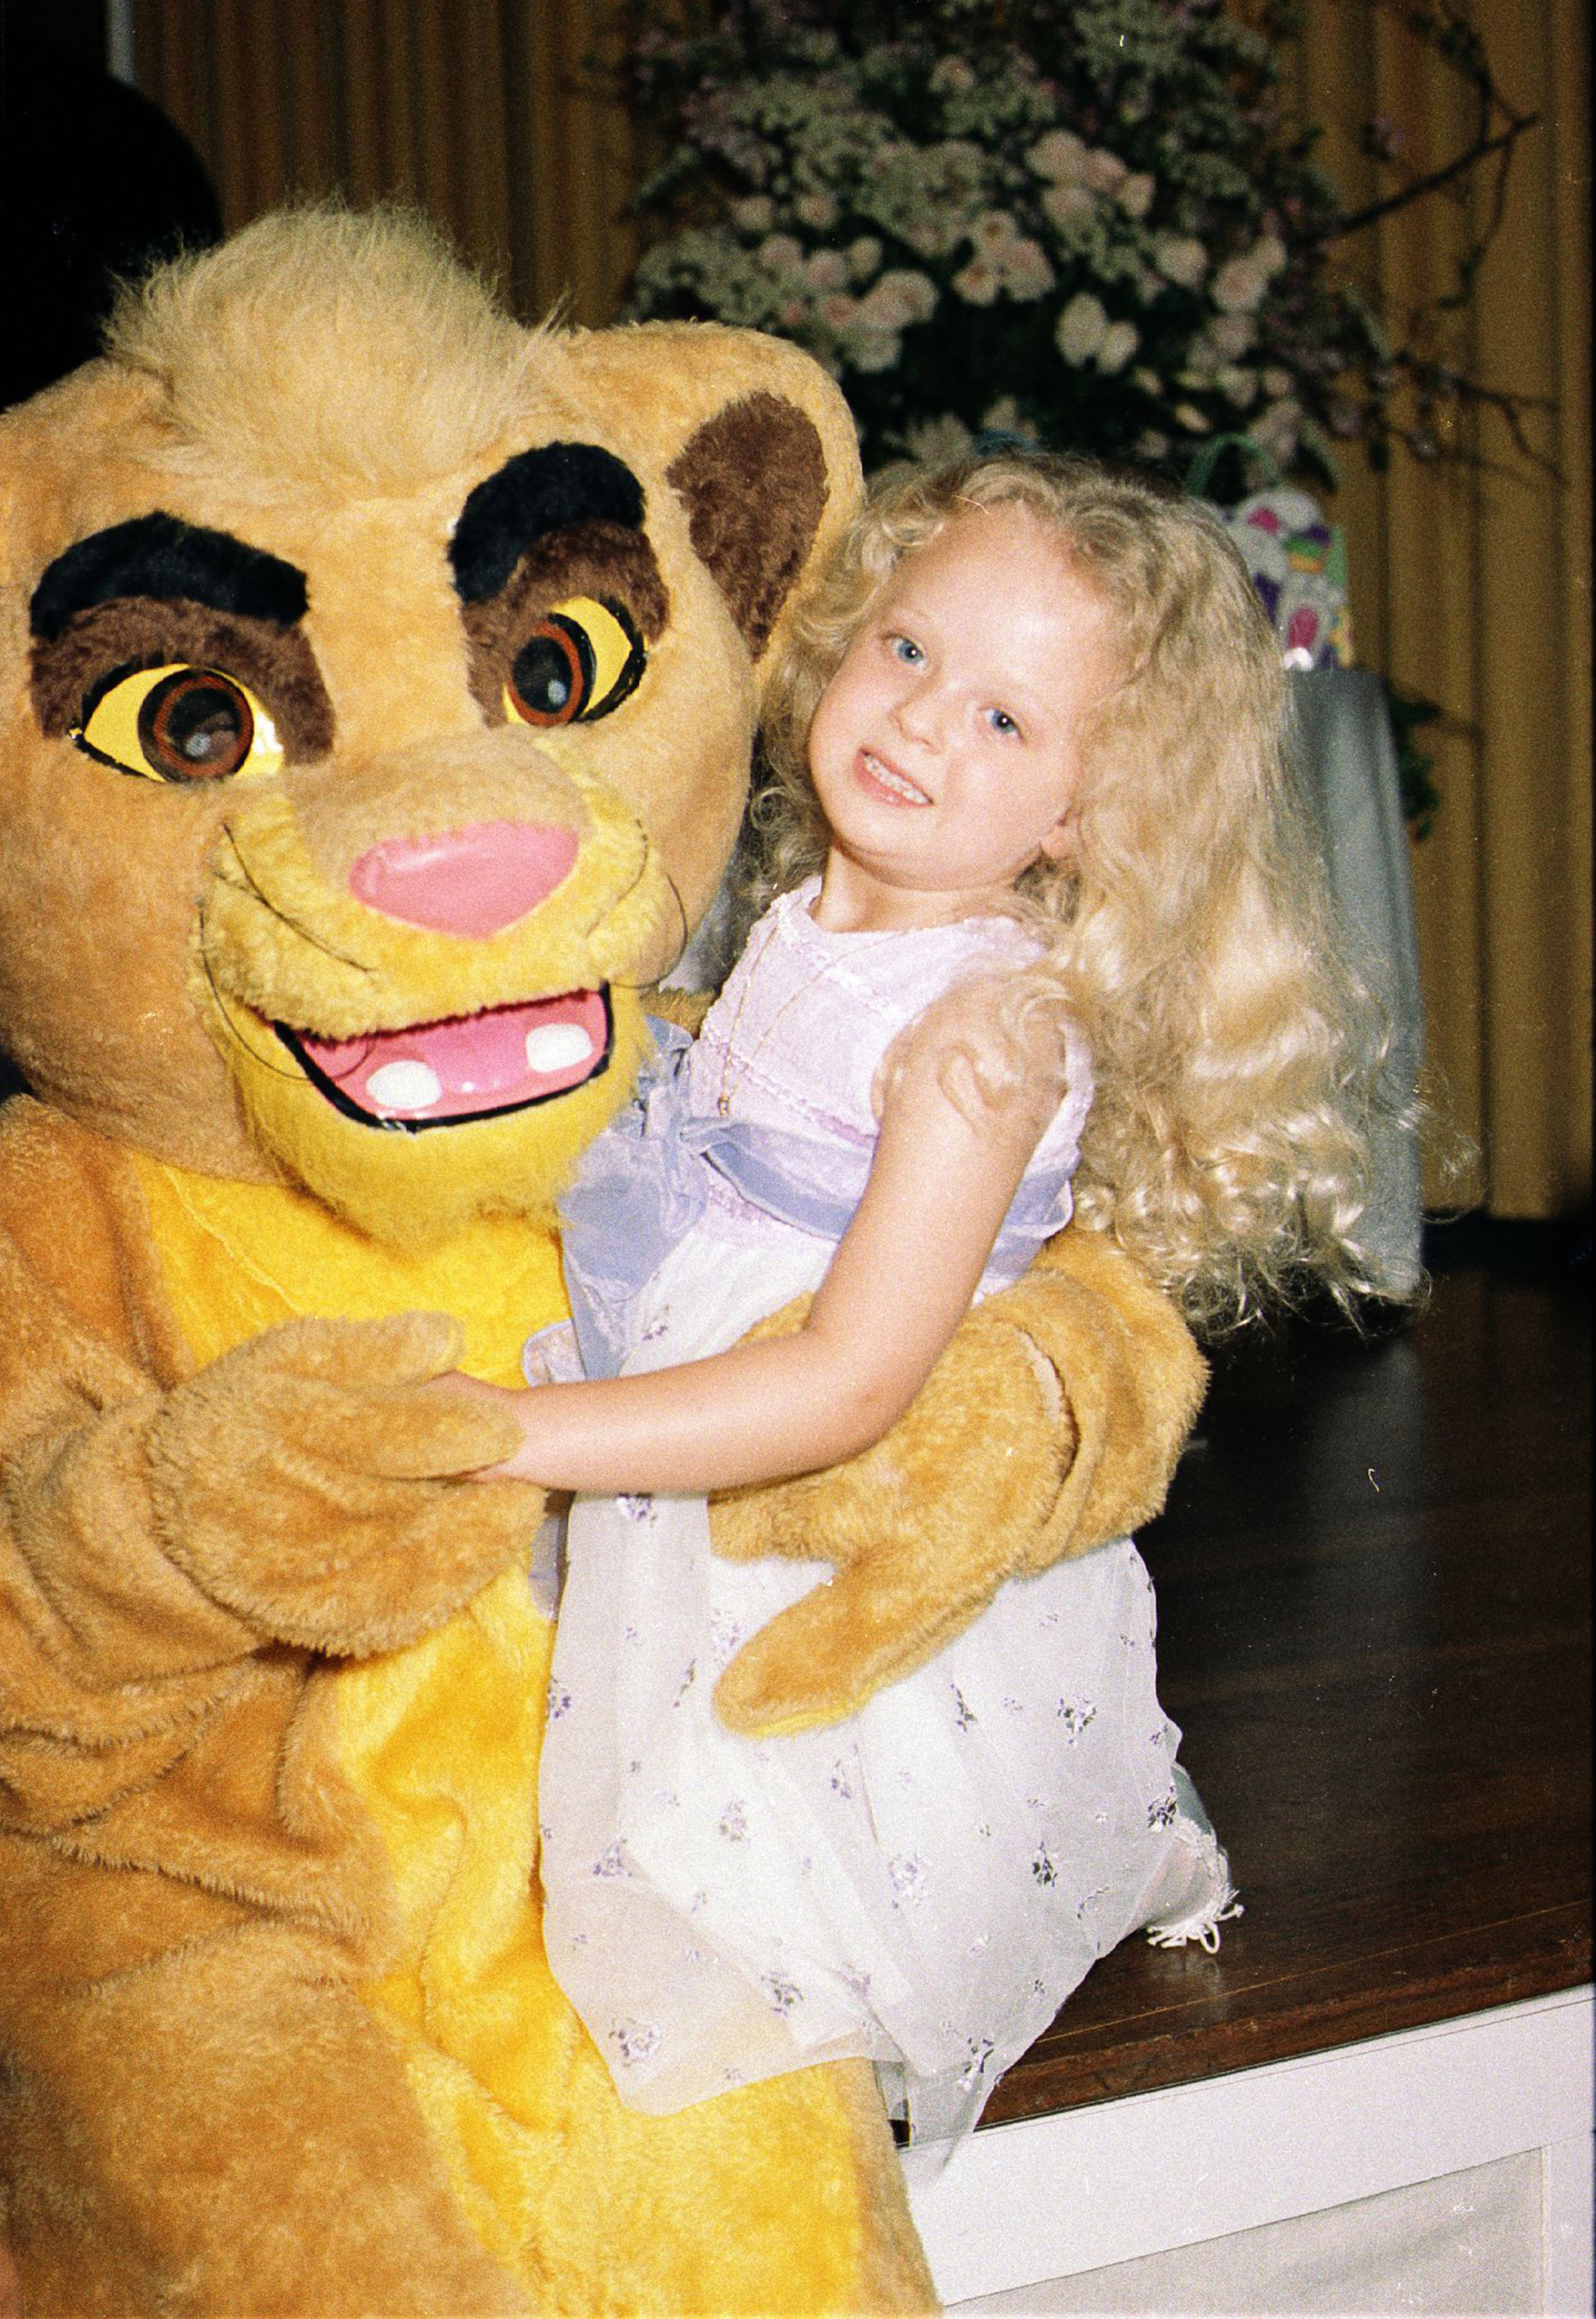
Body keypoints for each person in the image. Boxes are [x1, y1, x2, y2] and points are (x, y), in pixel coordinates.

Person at [441, 450, 1390, 2137]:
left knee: (806, 1836)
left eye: (1006, 720)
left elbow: (850, 1380)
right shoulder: (804, 906)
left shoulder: (983, 1034)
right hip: (696, 1390)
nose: (923, 720)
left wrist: (525, 1433)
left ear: (1085, 816)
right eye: (906, 649)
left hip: (805, 1472)